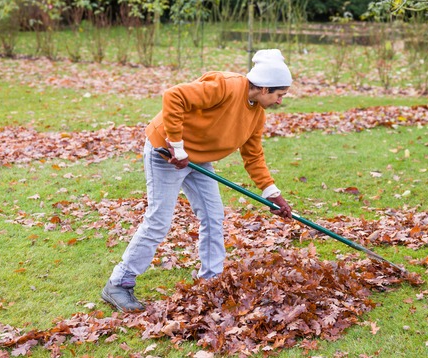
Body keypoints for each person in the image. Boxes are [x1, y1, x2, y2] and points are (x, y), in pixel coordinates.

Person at [101, 49, 294, 312]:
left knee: (214, 215)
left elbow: (253, 157)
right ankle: (118, 284)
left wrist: (272, 193)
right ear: (263, 88)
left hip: (198, 158)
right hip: (167, 152)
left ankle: (210, 279)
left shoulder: (256, 115)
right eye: (279, 95)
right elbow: (174, 95)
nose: (280, 101)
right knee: (158, 220)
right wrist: (177, 146)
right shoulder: (226, 86)